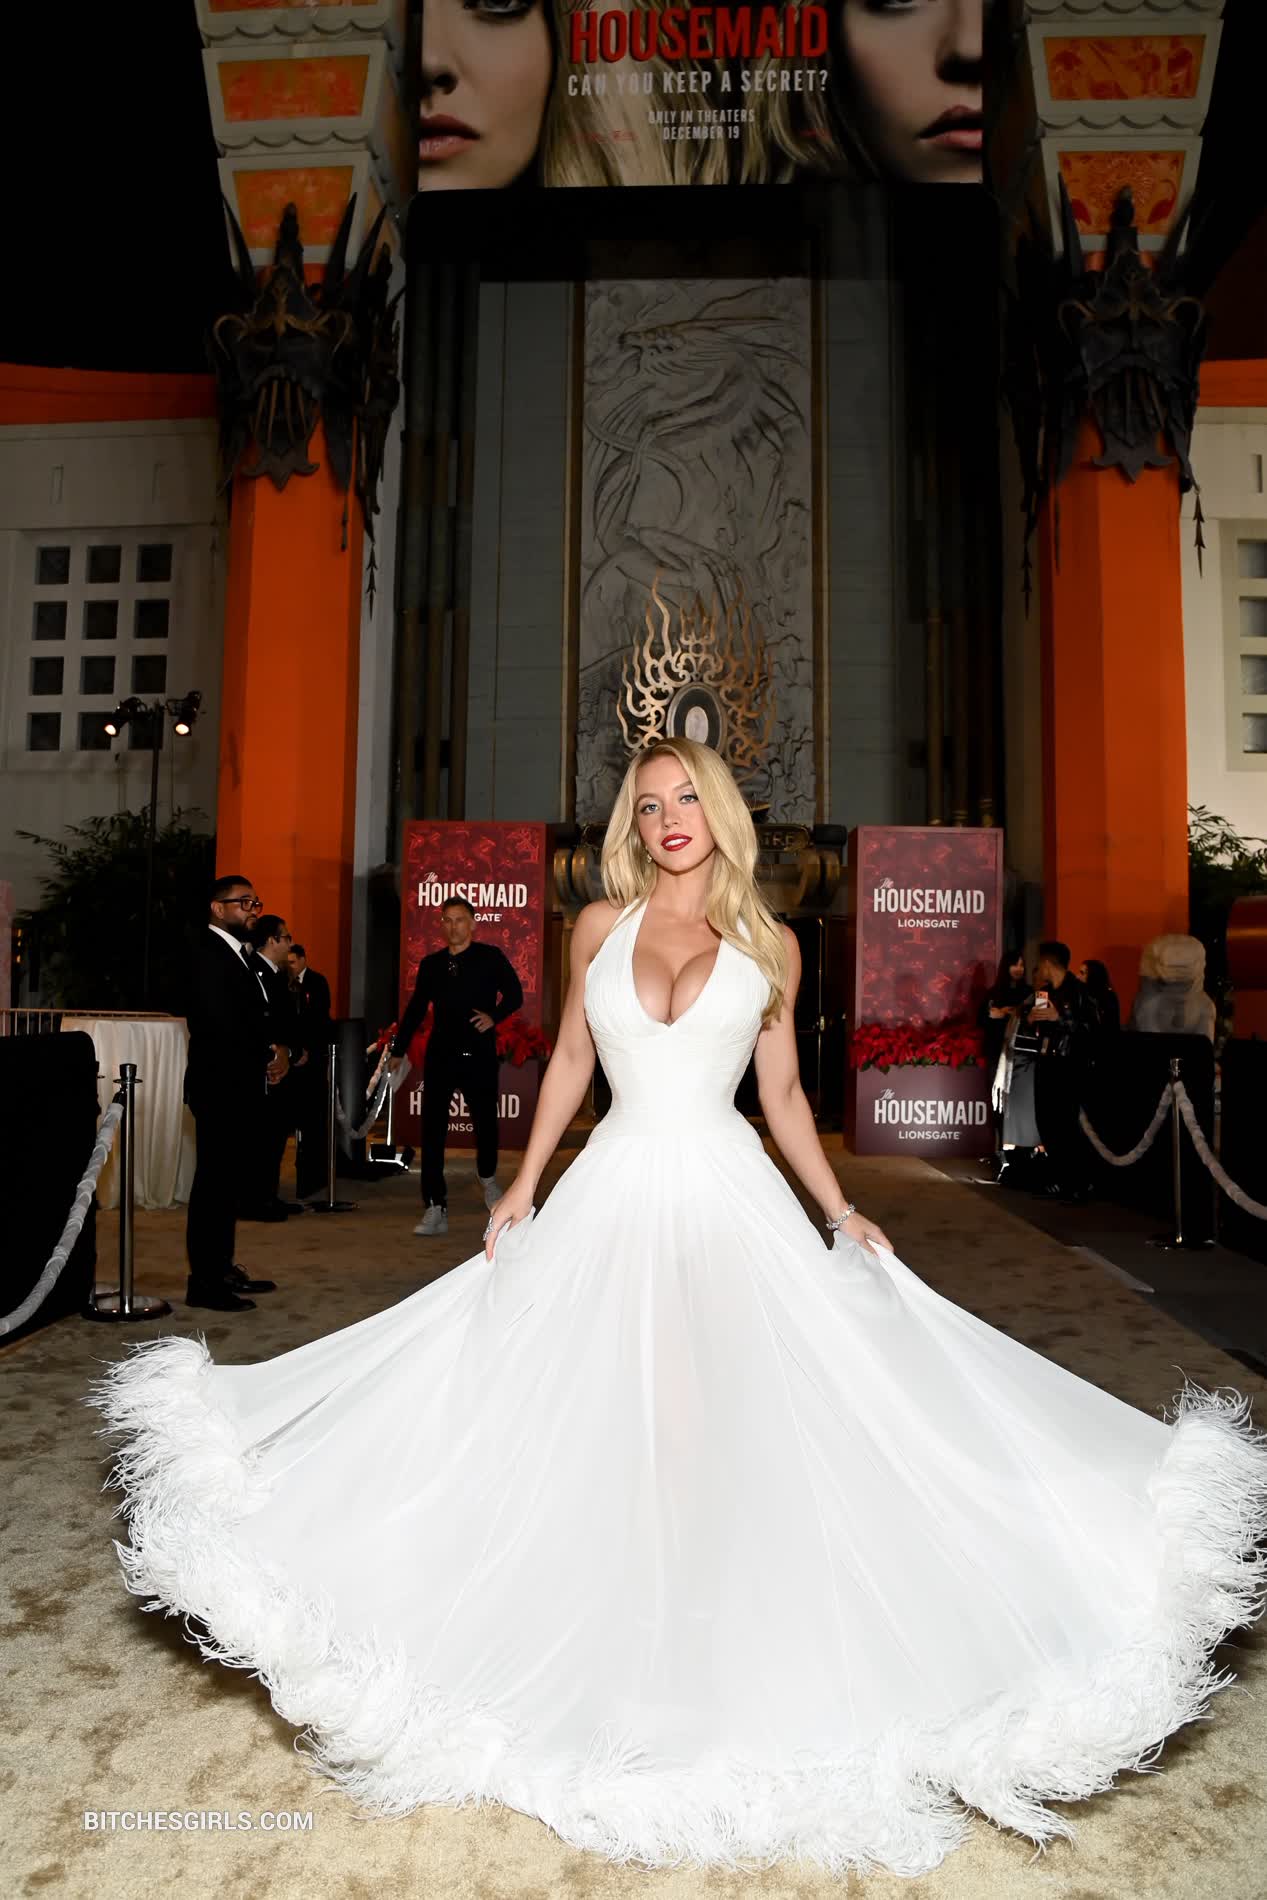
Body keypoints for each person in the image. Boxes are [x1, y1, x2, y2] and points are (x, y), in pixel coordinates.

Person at [92, 742, 1267, 1878]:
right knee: (587, 1394)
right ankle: (618, 1614)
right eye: (647, 803)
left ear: (718, 809)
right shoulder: (596, 926)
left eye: (684, 798)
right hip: (612, 1188)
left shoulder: (770, 941)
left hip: (724, 1194)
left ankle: (715, 1619)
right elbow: (568, 1061)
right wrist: (523, 1184)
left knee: (731, 1401)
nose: (666, 819)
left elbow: (782, 1095)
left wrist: (837, 1208)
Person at [180, 876, 286, 1311]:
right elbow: (217, 1021)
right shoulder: (207, 953)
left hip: (238, 1084)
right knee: (213, 1185)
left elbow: (255, 1015)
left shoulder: (240, 954)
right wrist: (266, 1051)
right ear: (217, 907)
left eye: (255, 902)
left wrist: (276, 1049)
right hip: (219, 1086)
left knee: (227, 1186)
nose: (252, 910)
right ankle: (204, 1283)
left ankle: (221, 1268)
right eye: (243, 902)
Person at [388, 898, 524, 1235]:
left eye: (460, 920)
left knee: (486, 1124)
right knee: (432, 1132)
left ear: (473, 923)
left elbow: (515, 995)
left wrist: (494, 1016)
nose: (453, 927)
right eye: (447, 920)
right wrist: (399, 1049)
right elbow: (416, 1009)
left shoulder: (490, 957)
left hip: (479, 1054)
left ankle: (488, 1178)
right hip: (441, 1056)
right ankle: (435, 1206)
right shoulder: (431, 964)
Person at [1025, 940, 1102, 1201]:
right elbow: (1036, 1028)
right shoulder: (1044, 994)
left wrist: (1061, 1019)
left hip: (1069, 1066)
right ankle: (1059, 1179)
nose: (1039, 969)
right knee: (1046, 1121)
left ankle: (1077, 1183)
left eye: (1041, 963)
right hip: (1045, 1064)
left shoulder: (1080, 992)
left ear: (1048, 964)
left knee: (1066, 1124)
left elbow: (1093, 1029)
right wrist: (1031, 1020)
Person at [241, 915, 304, 1221]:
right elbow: (259, 1021)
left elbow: (287, 1022)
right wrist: (278, 1051)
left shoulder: (276, 974)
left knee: (276, 1136)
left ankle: (269, 1195)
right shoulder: (252, 972)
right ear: (272, 941)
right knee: (262, 1138)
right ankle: (256, 1199)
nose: (290, 943)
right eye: (286, 937)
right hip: (262, 1068)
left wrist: (292, 1051)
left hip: (280, 1066)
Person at [287, 942, 334, 1201]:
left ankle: (313, 1175)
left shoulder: (318, 982)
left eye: (293, 962)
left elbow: (320, 1018)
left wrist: (307, 1048)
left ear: (303, 959)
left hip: (314, 1058)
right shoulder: (284, 982)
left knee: (314, 1115)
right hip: (292, 1060)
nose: (290, 967)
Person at [1080, 957, 1121, 1036]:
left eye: (1082, 973)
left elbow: (1107, 1025)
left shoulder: (1108, 996)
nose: (1078, 976)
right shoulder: (1083, 993)